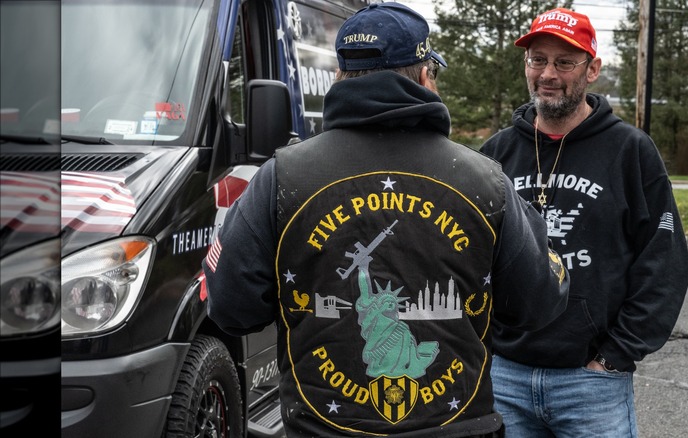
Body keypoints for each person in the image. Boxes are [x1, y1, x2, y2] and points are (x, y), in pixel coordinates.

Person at [203, 3, 569, 437]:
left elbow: (229, 306)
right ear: (425, 75)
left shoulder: (280, 177)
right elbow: (541, 302)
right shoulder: (484, 181)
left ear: (341, 76)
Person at [480, 7, 688, 437]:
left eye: (564, 62)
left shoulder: (631, 151)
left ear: (592, 69)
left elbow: (664, 263)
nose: (548, 74)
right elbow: (469, 260)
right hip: (506, 379)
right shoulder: (495, 154)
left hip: (592, 382)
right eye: (538, 59)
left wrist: (615, 356)